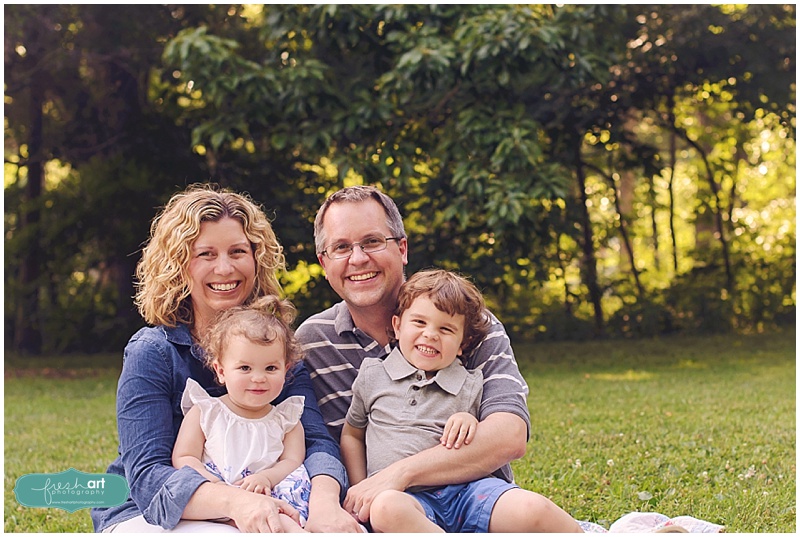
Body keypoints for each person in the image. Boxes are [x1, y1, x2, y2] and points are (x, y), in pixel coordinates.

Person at [91, 184, 348, 533]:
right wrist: (236, 503)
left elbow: (316, 441)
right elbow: (148, 475)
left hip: (266, 500)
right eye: (206, 254)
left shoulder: (276, 347)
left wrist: (324, 507)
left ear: (257, 259)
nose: (225, 268)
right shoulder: (152, 351)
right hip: (154, 512)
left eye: (238, 251)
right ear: (179, 266)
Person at [295, 185, 532, 525]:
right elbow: (324, 445)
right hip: (387, 518)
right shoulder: (313, 343)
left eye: (373, 242)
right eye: (341, 247)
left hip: (477, 504)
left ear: (402, 248)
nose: (358, 258)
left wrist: (399, 474)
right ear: (323, 262)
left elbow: (509, 435)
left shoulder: (464, 321)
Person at [340, 269, 583, 532]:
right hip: (407, 498)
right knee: (386, 509)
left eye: (445, 329)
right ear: (397, 326)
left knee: (533, 509)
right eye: (419, 323)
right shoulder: (373, 375)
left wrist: (469, 419)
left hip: (469, 490)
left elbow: (491, 431)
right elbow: (353, 434)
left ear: (461, 344)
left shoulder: (470, 382)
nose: (430, 334)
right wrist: (361, 486)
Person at [173, 295, 310, 533]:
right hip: (218, 502)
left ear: (286, 370)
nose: (258, 378)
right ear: (221, 370)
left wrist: (267, 478)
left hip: (272, 494)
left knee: (284, 524)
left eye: (271, 368)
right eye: (245, 368)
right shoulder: (207, 412)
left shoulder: (286, 419)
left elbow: (292, 460)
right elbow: (185, 457)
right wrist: (214, 486)